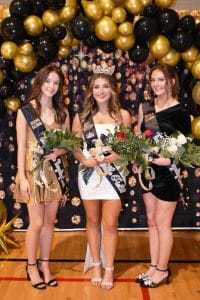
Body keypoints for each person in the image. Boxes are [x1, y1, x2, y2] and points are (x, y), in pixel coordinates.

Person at [72, 67, 131, 290]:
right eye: (97, 86)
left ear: (113, 90)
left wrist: (117, 154)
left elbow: (127, 146)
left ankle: (109, 268)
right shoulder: (82, 118)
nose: (101, 90)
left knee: (110, 223)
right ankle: (96, 264)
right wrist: (84, 160)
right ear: (91, 90)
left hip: (114, 175)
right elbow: (75, 148)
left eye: (105, 86)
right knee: (93, 221)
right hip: (89, 174)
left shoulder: (122, 116)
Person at [134, 64, 191, 288]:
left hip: (168, 174)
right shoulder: (146, 107)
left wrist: (170, 159)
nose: (156, 84)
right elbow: (141, 138)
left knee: (162, 223)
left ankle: (162, 270)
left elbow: (185, 147)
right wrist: (139, 159)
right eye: (153, 80)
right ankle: (153, 265)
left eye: (161, 80)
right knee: (151, 221)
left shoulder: (180, 112)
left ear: (172, 82)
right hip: (148, 172)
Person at [14, 65, 70, 289]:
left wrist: (59, 151)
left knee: (49, 222)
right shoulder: (25, 111)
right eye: (48, 81)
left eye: (56, 83)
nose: (51, 86)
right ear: (40, 82)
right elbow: (20, 147)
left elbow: (69, 144)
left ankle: (45, 265)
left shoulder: (62, 113)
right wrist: (22, 176)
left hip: (55, 171)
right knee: (36, 222)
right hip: (33, 171)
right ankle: (30, 266)